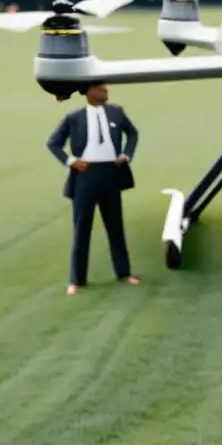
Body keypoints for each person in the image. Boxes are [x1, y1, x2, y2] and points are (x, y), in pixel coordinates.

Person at [46, 81, 141, 295]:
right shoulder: (74, 118)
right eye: (100, 88)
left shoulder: (116, 112)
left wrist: (126, 155)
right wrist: (71, 161)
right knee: (82, 228)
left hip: (111, 173)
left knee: (115, 225)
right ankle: (77, 279)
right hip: (85, 176)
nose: (106, 90)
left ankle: (124, 272)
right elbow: (53, 143)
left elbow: (133, 133)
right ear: (89, 92)